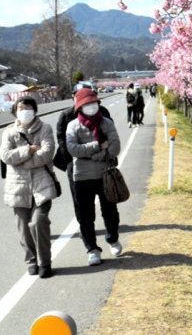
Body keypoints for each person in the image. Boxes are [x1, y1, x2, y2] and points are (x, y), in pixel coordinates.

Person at [0, 97, 58, 278]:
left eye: (28, 108)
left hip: (42, 184)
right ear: (15, 111)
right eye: (20, 108)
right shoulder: (9, 132)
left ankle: (45, 262)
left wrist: (21, 160)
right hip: (18, 187)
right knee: (23, 227)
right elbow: (6, 156)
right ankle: (32, 260)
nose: (24, 111)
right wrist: (30, 150)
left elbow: (47, 154)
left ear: (34, 110)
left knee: (38, 222)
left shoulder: (45, 128)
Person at [66, 88, 123, 266]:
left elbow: (115, 147)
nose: (91, 107)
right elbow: (73, 149)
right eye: (86, 104)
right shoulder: (73, 126)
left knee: (110, 210)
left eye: (93, 103)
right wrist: (98, 146)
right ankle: (92, 249)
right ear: (79, 107)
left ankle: (112, 238)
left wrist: (93, 155)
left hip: (105, 173)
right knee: (85, 215)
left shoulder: (106, 123)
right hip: (82, 176)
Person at [55, 83, 112, 223]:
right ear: (73, 96)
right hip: (77, 165)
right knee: (81, 201)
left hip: (102, 163)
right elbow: (63, 143)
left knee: (108, 198)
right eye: (78, 94)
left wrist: (106, 156)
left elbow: (111, 138)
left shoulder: (103, 111)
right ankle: (84, 225)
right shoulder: (66, 116)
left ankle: (111, 226)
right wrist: (72, 163)